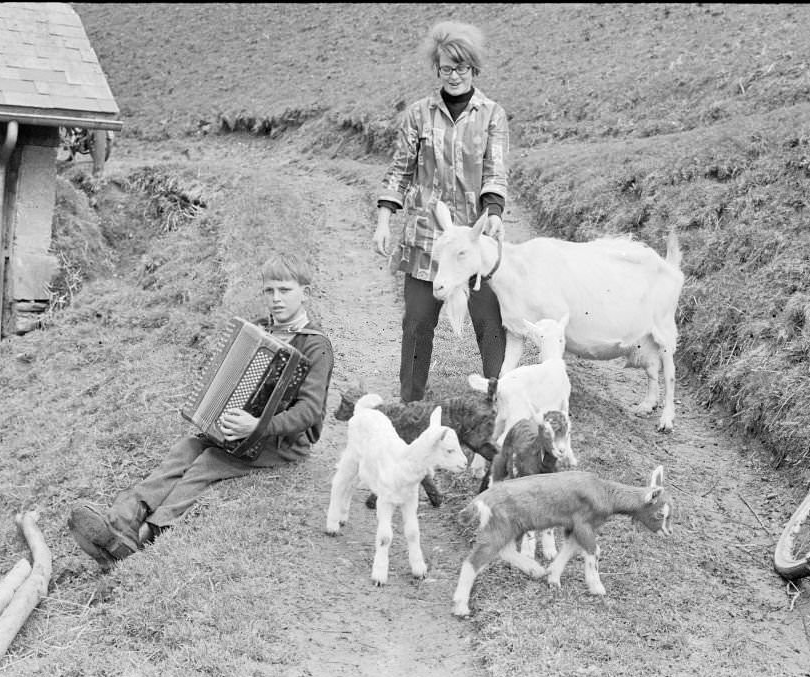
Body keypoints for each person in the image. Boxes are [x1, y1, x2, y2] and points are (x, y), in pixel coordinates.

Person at [68, 252, 334, 570]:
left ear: (305, 291)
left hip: (283, 442)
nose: (276, 299)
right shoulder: (262, 331)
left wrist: (258, 427)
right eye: (269, 291)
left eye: (285, 290)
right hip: (240, 431)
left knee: (208, 462)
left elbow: (310, 411)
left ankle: (141, 538)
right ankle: (120, 519)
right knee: (186, 449)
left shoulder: (315, 346)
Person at [372, 20, 509, 403]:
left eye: (461, 67)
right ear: (437, 69)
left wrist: (494, 212)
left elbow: (496, 170)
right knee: (417, 322)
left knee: (490, 322)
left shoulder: (492, 115)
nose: (453, 76)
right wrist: (384, 218)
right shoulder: (418, 114)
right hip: (426, 239)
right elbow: (399, 170)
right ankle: (410, 399)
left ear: (474, 69)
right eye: (446, 68)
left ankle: (497, 398)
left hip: (472, 239)